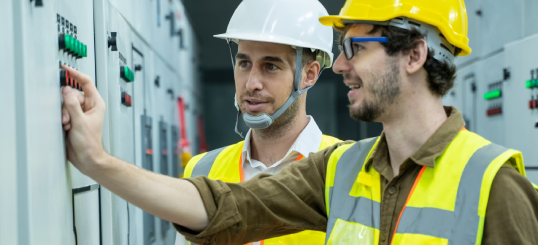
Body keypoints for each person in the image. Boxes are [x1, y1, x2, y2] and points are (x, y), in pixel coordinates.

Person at [60, 0, 538, 244]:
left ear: (414, 55)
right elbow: (228, 206)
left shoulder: (494, 186)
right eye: (243, 62)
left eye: (355, 48)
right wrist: (96, 161)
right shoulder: (341, 170)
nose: (341, 66)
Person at [176, 0, 341, 244]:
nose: (252, 83)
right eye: (244, 63)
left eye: (270, 66)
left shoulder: (344, 170)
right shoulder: (201, 170)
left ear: (309, 74)